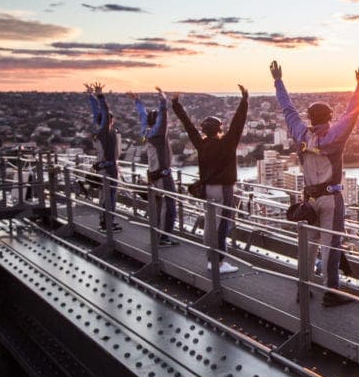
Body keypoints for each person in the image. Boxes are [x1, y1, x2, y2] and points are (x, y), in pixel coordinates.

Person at [270, 60, 359, 306]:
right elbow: (352, 114)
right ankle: (331, 292)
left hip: (309, 199)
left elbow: (288, 109)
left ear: (310, 118)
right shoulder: (334, 136)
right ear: (329, 117)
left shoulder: (301, 135)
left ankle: (302, 288)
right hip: (331, 198)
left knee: (308, 245)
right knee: (330, 246)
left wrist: (278, 81)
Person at [171, 85, 248, 274]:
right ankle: (218, 262)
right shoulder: (228, 143)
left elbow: (188, 126)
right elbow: (238, 123)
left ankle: (211, 258)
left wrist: (176, 105)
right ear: (220, 129)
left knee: (210, 222)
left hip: (206, 188)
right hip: (223, 189)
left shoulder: (200, 143)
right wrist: (244, 100)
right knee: (222, 225)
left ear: (204, 130)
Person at [129, 87, 177, 245]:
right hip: (163, 175)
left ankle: (157, 234)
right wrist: (163, 101)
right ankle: (164, 238)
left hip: (152, 174)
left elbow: (143, 116)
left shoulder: (146, 132)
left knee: (157, 206)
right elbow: (163, 118)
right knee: (169, 206)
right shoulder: (157, 134)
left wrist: (137, 101)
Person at [85, 82, 121, 232]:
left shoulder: (97, 129)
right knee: (109, 197)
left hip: (102, 167)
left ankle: (106, 222)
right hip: (108, 168)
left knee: (105, 197)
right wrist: (100, 96)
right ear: (109, 122)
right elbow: (103, 112)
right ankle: (106, 224)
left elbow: (97, 113)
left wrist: (91, 96)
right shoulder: (104, 132)